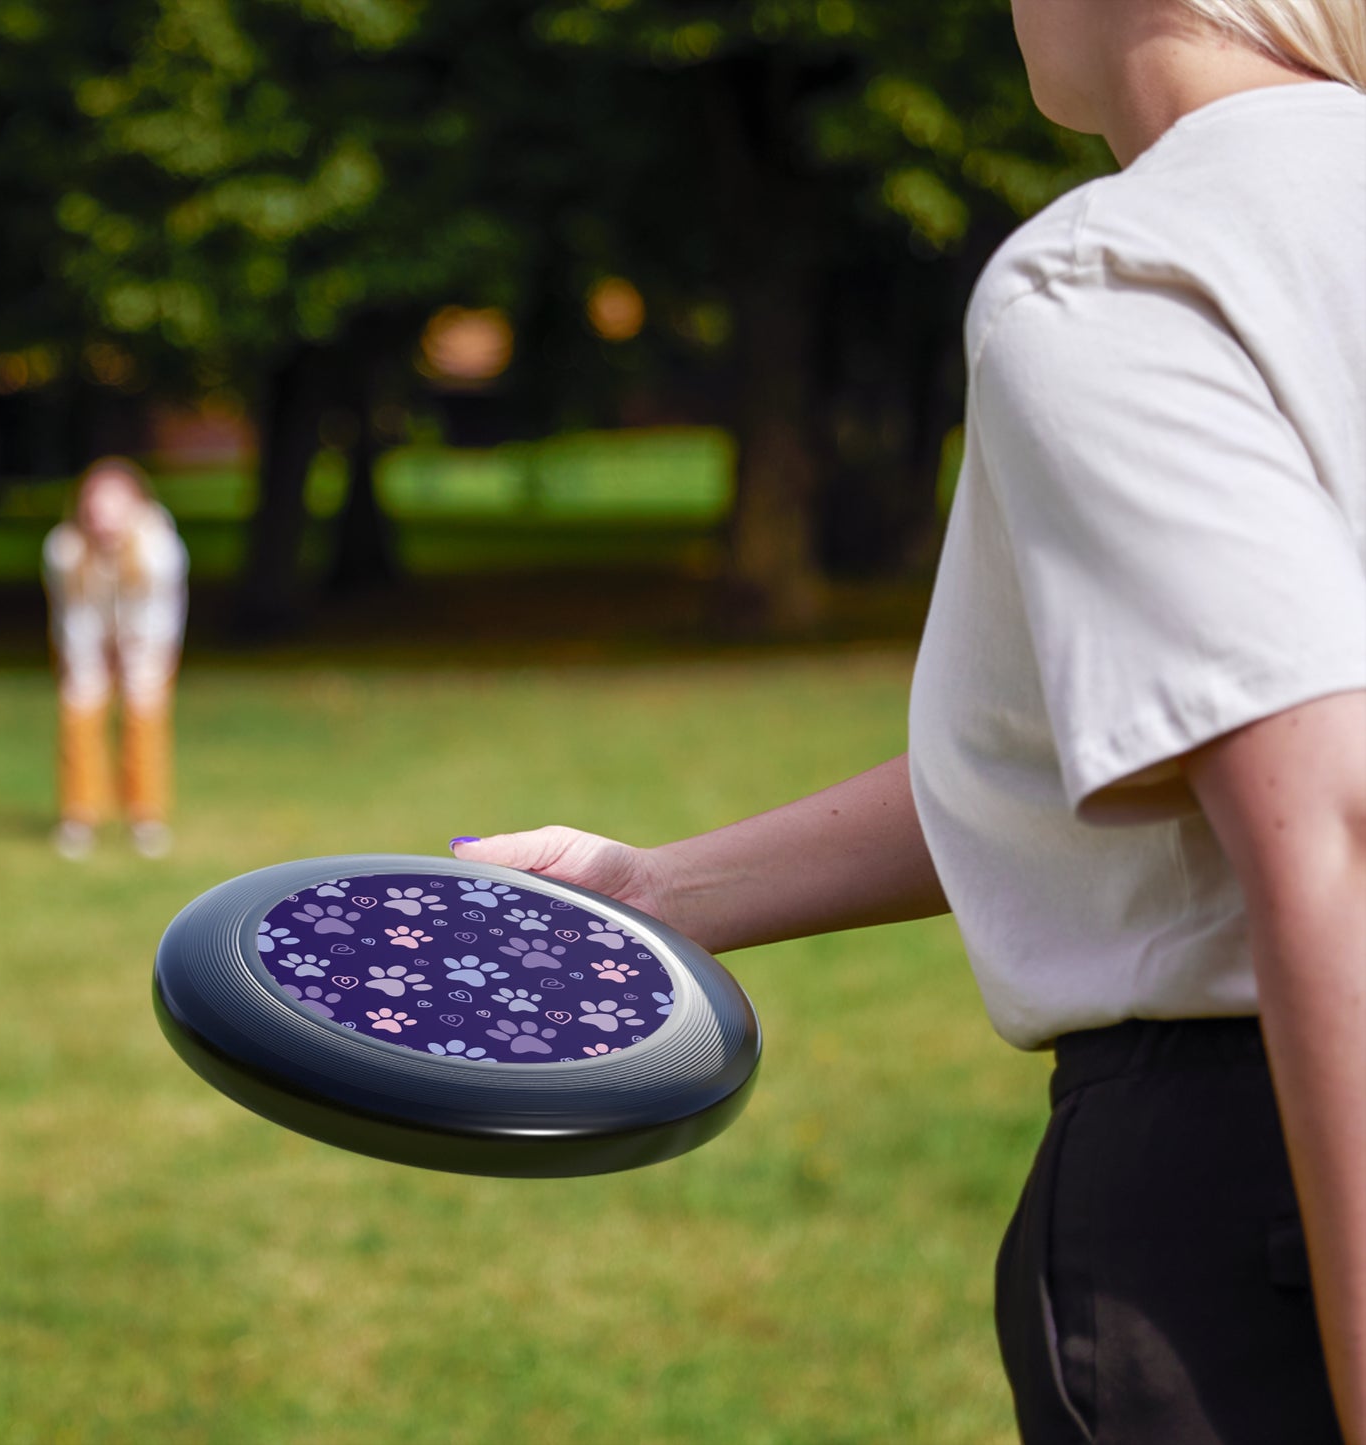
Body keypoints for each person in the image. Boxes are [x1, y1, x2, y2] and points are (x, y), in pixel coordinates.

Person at [447, 2, 1366, 1440]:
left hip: (1262, 1193)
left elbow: (1332, 822)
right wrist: (660, 890)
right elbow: (1139, 740)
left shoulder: (1126, 271)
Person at [42, 457, 189, 860]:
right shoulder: (64, 549)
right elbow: (73, 616)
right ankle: (79, 816)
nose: (103, 517)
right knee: (79, 712)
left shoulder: (160, 549)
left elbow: (160, 616)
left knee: (144, 717)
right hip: (86, 640)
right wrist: (89, 664)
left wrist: (136, 659)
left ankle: (146, 817)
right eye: (95, 506)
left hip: (147, 641)